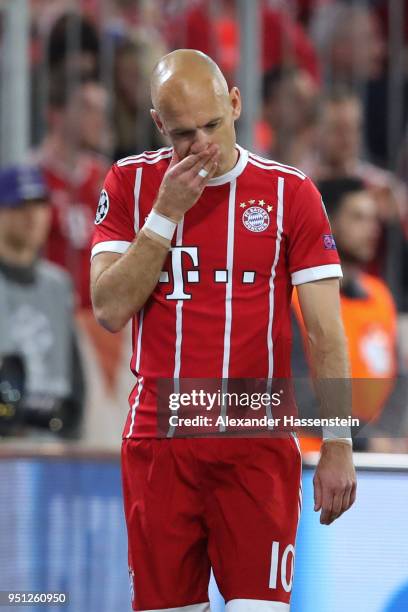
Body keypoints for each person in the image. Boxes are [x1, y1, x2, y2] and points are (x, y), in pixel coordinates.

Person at [90, 49, 356, 611]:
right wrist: (164, 215)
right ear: (159, 124)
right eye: (184, 133)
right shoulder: (131, 184)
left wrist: (337, 441)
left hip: (254, 438)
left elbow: (326, 333)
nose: (203, 145)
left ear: (234, 102)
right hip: (161, 437)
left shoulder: (291, 193)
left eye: (213, 125)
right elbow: (109, 309)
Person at [292, 177, 405, 453]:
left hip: (374, 464)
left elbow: (398, 383)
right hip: (311, 459)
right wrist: (366, 439)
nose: (372, 229)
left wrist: (387, 438)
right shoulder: (293, 297)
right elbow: (295, 395)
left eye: (374, 219)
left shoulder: (381, 296)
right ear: (328, 224)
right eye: (358, 218)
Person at [0, 163, 84, 439]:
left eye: (39, 205)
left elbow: (75, 381)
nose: (32, 216)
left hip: (50, 446)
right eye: (20, 206)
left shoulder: (57, 285)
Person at [33, 72, 110, 309]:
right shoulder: (34, 178)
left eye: (101, 110)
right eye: (87, 108)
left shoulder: (105, 177)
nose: (99, 119)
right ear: (56, 115)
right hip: (50, 312)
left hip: (100, 320)